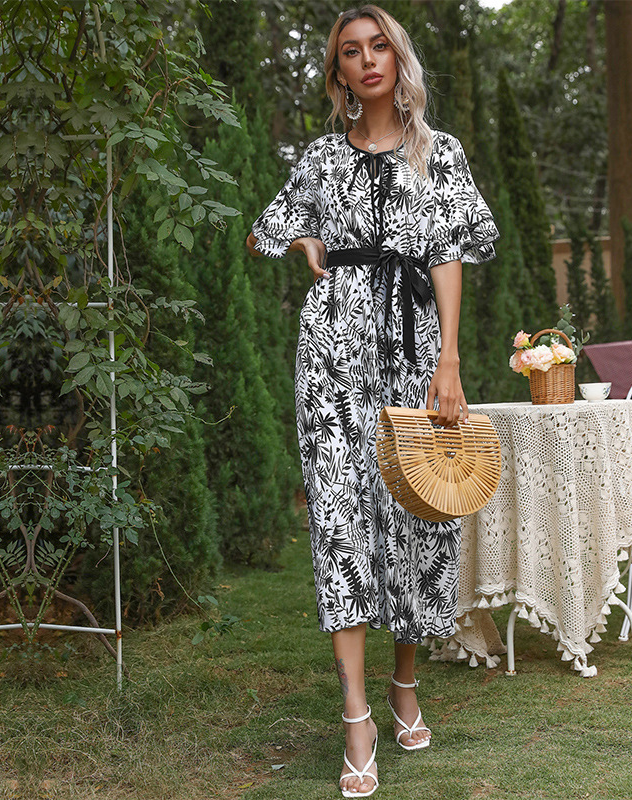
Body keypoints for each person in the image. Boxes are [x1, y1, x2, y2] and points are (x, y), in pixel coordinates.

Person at [247, 5, 498, 796]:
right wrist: (304, 237)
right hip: (333, 348)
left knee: (417, 509)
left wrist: (449, 362)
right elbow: (265, 227)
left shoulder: (439, 153)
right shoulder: (321, 158)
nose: (367, 60)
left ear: (397, 58)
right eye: (351, 52)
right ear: (339, 74)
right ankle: (356, 713)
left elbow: (449, 252)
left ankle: (404, 683)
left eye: (379, 46)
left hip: (416, 346)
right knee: (340, 516)